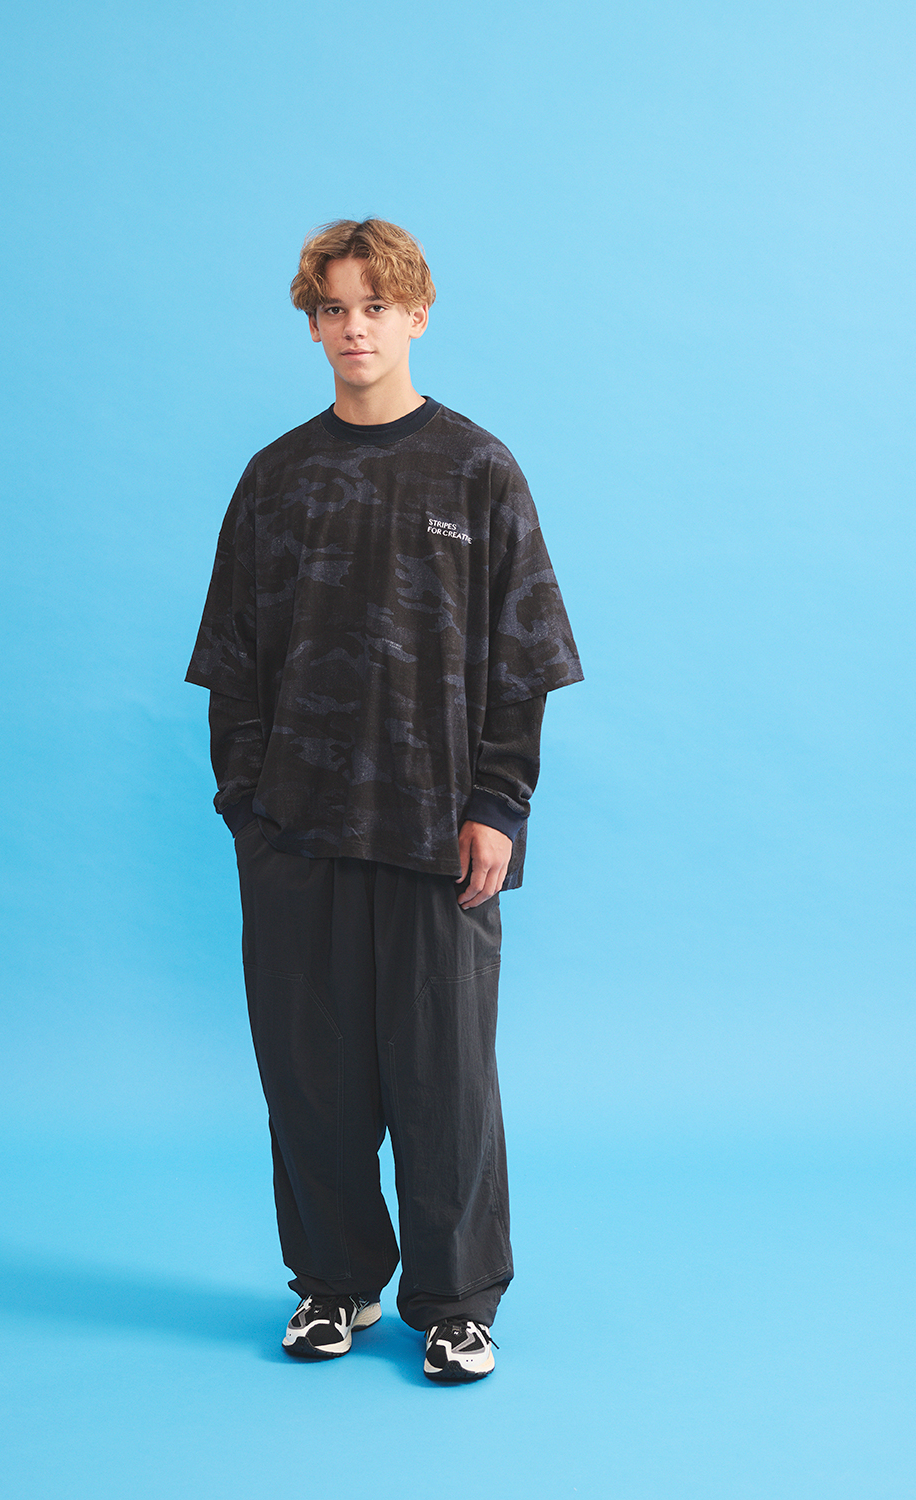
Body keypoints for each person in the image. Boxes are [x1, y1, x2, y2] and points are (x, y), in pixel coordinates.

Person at [185, 219, 582, 1382]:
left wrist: (498, 807)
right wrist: (248, 811)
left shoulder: (477, 469)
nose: (353, 327)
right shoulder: (277, 478)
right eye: (332, 308)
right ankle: (333, 1284)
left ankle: (456, 1304)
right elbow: (230, 659)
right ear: (311, 325)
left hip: (434, 837)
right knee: (309, 1080)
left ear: (417, 314)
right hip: (296, 834)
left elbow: (523, 661)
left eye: (374, 305)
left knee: (445, 1084)